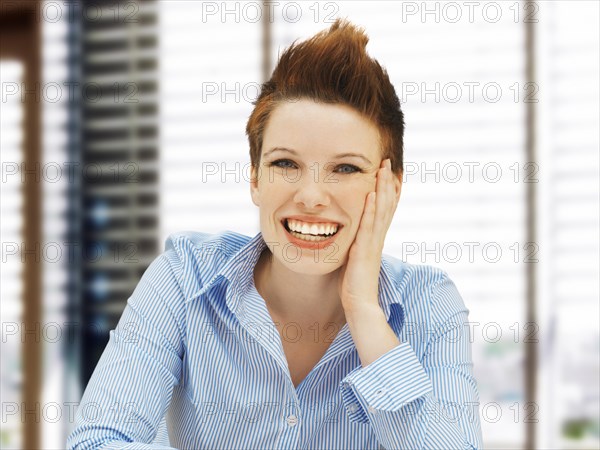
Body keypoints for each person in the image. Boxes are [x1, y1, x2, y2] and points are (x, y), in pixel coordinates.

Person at [68, 19, 483, 449]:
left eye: (346, 168)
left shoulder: (429, 303)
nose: (310, 196)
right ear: (254, 178)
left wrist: (364, 311)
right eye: (285, 164)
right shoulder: (183, 277)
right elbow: (97, 442)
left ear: (389, 188)